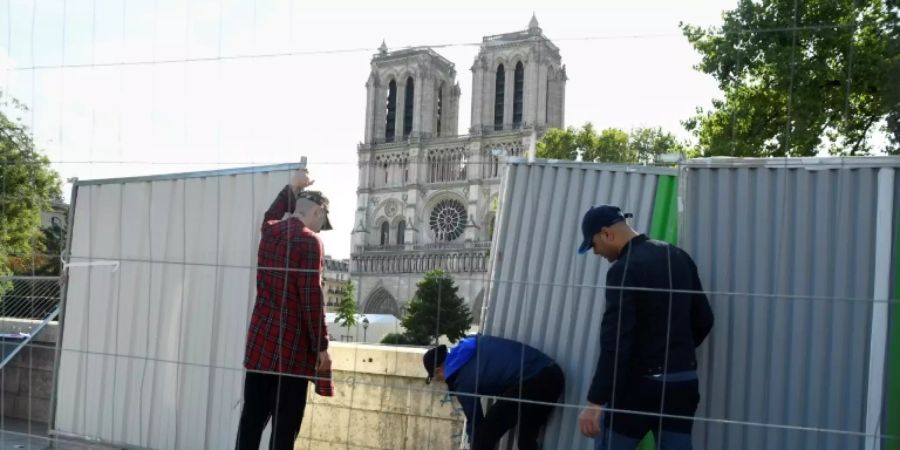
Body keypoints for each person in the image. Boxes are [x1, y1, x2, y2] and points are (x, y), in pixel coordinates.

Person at [575, 205, 714, 450]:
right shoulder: (677, 256)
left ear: (607, 234)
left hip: (640, 388)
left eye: (594, 244)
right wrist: (676, 353)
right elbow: (704, 319)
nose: (596, 253)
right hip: (682, 384)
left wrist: (595, 403)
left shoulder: (623, 269)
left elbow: (615, 341)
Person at [236, 169, 335, 450]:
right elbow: (311, 300)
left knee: (250, 424)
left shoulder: (270, 232)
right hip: (291, 355)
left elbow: (270, 214)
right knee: (284, 431)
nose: (320, 229)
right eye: (322, 221)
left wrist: (291, 188)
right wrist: (322, 346)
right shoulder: (310, 241)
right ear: (317, 212)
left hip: (259, 346)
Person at [423, 334, 565, 450]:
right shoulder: (470, 346)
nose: (440, 380)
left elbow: (475, 420)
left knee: (483, 437)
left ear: (438, 370)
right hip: (553, 375)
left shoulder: (461, 378)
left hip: (532, 381)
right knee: (526, 440)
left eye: (436, 378)